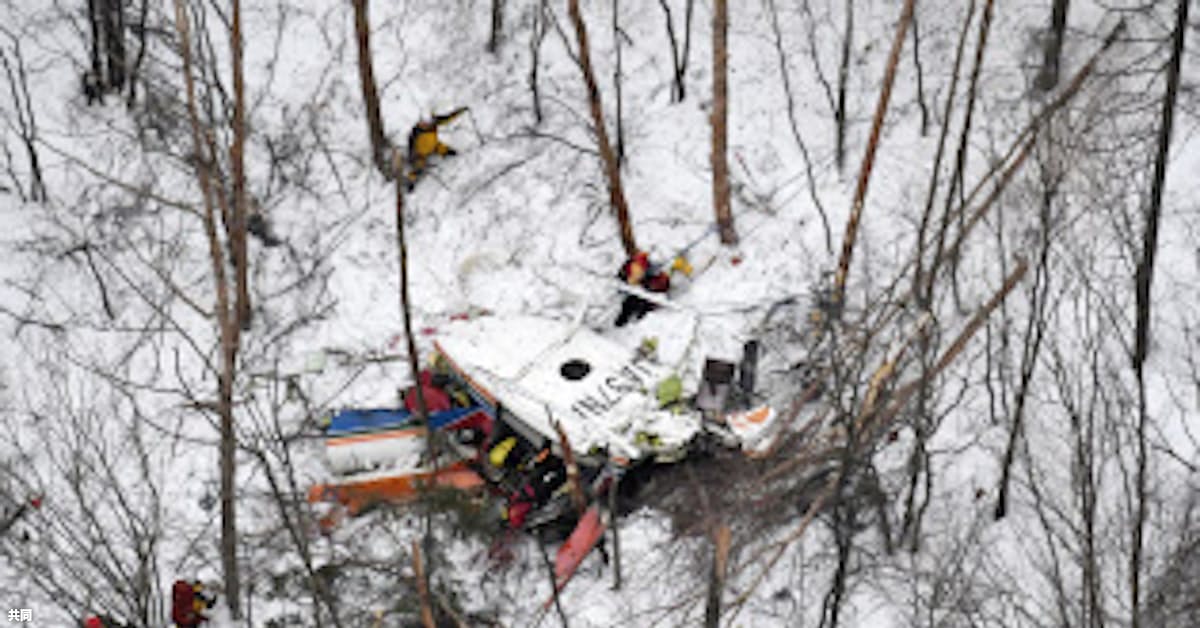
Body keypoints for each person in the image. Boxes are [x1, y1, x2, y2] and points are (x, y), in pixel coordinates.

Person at [406, 107, 468, 190]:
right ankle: (410, 183)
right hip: (420, 153)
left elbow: (448, 118)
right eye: (423, 123)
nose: (426, 125)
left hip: (435, 146)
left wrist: (461, 111)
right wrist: (414, 158)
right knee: (418, 168)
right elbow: (411, 149)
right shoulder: (415, 132)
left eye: (428, 123)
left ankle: (450, 154)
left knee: (448, 151)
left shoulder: (434, 122)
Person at [616, 251, 671, 327]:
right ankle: (622, 321)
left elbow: (661, 289)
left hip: (646, 296)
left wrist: (647, 285)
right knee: (628, 303)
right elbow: (624, 272)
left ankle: (638, 322)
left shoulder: (661, 278)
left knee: (640, 304)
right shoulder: (634, 265)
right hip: (632, 290)